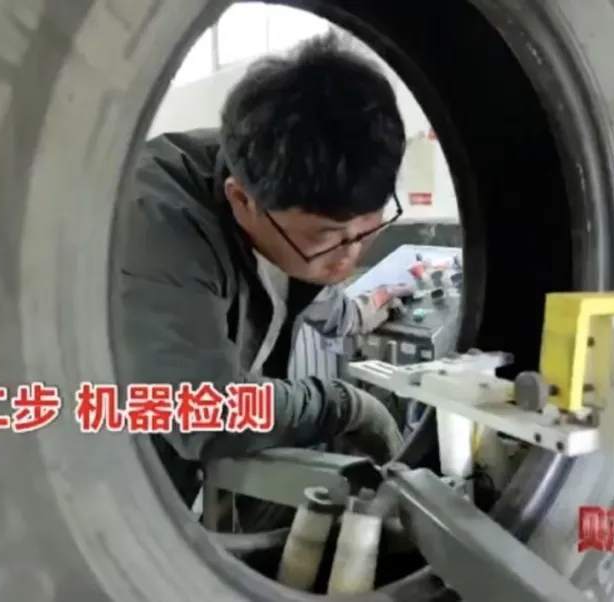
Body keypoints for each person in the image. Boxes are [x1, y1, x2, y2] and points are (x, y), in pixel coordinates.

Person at [111, 32, 410, 493]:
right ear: (241, 200)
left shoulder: (289, 202)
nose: (347, 258)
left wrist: (366, 310)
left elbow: (316, 290)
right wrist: (347, 406)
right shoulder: (154, 223)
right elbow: (201, 413)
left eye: (368, 230)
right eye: (326, 238)